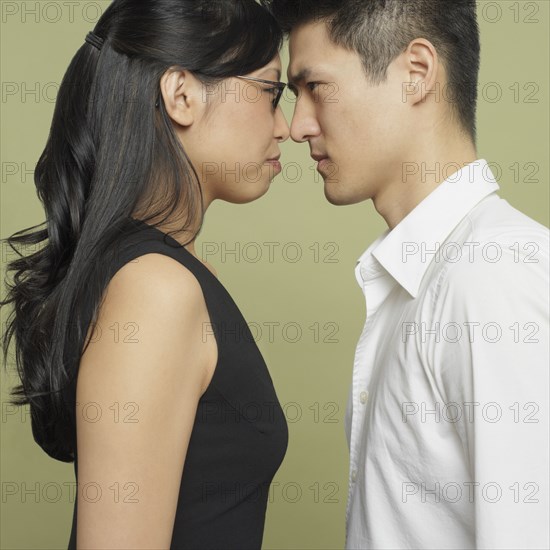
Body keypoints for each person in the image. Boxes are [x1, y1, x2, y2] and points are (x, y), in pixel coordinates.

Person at [0, 0, 291, 548]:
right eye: (270, 91)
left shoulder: (165, 274)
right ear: (181, 94)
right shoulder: (155, 289)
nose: (288, 127)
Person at [262, 0, 549, 548]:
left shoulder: (494, 276)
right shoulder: (416, 280)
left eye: (315, 86)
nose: (298, 126)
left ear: (415, 74)